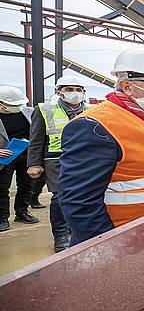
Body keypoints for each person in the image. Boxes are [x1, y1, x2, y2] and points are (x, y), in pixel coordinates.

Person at [58, 48, 144, 245]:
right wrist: (109, 248)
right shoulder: (94, 126)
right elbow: (79, 202)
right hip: (128, 236)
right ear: (127, 86)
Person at [27, 75, 91, 252]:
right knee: (60, 197)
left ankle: (75, 229)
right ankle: (61, 235)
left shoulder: (93, 109)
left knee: (83, 195)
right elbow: (36, 139)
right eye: (69, 89)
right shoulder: (44, 109)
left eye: (78, 90)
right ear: (59, 92)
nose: (75, 93)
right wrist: (34, 163)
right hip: (55, 159)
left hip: (85, 159)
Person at [0, 86, 38, 232]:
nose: (17, 107)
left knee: (27, 185)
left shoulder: (28, 112)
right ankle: (2, 217)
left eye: (19, 104)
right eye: (13, 105)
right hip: (5, 157)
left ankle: (22, 212)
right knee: (2, 188)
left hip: (26, 155)